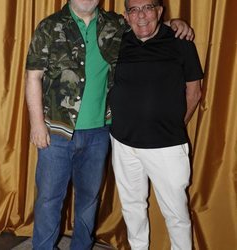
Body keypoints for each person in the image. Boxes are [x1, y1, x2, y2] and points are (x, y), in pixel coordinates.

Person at [25, 0, 194, 249]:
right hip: (57, 132)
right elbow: (33, 76)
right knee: (49, 200)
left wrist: (173, 23)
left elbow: (144, 23)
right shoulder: (49, 26)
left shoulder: (114, 24)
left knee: (89, 201)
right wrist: (36, 124)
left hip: (99, 134)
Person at [109, 0, 203, 249]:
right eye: (133, 9)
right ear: (126, 16)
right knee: (132, 208)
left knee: (177, 215)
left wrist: (173, 124)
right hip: (122, 142)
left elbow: (194, 92)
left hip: (167, 146)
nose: (141, 16)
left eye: (147, 8)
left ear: (160, 12)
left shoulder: (180, 40)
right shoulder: (117, 41)